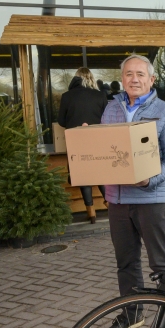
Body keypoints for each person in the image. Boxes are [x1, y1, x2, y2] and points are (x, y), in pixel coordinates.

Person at [100, 54, 165, 328]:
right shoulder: (111, 110)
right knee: (125, 262)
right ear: (122, 78)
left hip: (151, 199)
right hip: (118, 199)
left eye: (140, 74)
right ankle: (132, 313)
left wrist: (152, 178)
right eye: (128, 74)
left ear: (151, 80)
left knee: (160, 262)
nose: (134, 79)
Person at [58, 67, 109, 222]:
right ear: (91, 78)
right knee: (100, 174)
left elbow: (61, 121)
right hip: (97, 139)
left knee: (83, 176)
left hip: (76, 140)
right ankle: (111, 204)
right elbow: (107, 119)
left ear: (76, 78)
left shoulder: (67, 96)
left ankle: (91, 212)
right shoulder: (100, 95)